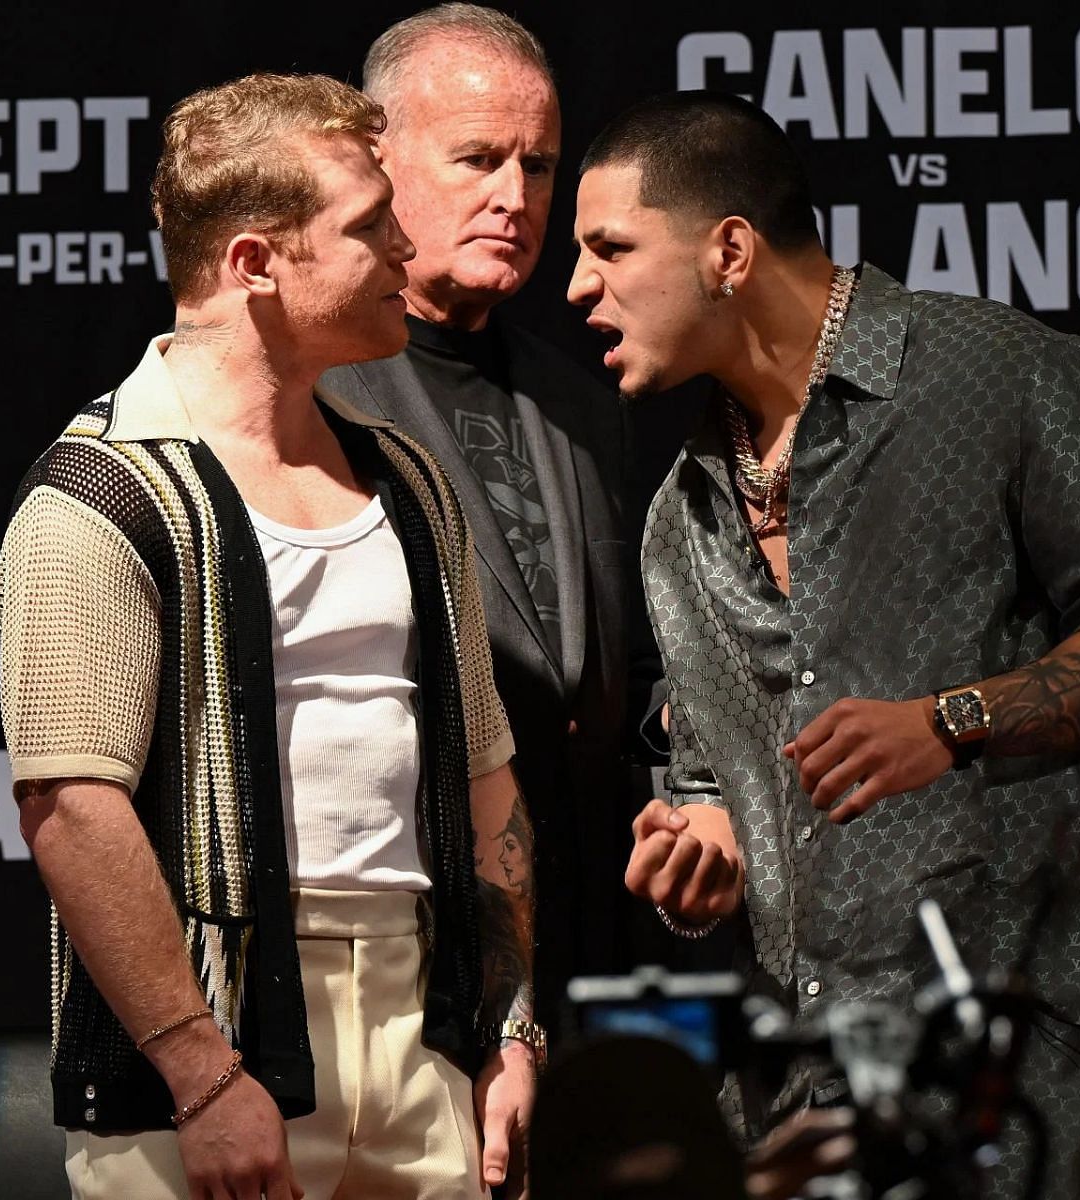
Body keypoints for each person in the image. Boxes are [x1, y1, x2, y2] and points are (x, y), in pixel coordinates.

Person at [568, 91, 1080, 1199]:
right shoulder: (678, 519)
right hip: (794, 1078)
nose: (579, 287)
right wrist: (706, 844)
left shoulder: (995, 377)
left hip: (999, 1056)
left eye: (610, 248)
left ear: (729, 249)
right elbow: (707, 776)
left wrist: (953, 722)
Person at [0, 73, 539, 1199]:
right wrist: (200, 1077)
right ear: (255, 264)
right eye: (367, 225)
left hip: (425, 1030)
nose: (404, 248)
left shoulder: (411, 480)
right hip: (203, 1056)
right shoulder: (94, 496)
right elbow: (71, 807)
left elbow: (487, 779)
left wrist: (510, 1029)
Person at [319, 5, 669, 1029]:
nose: (514, 198)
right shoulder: (319, 392)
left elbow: (620, 663)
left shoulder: (586, 397)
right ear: (375, 158)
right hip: (407, 946)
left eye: (539, 166)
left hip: (595, 942)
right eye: (478, 159)